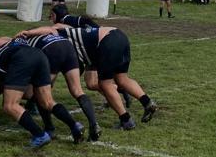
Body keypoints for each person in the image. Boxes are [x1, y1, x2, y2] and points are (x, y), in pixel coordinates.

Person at [19, 21, 156, 129]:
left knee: (105, 84)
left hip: (106, 41)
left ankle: (126, 120)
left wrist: (28, 32)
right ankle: (147, 102)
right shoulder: (71, 34)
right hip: (118, 35)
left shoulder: (55, 34)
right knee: (122, 78)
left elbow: (52, 29)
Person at [0, 38, 84, 147]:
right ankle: (75, 126)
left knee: (10, 105)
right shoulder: (7, 43)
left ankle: (39, 135)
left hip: (22, 59)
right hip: (40, 55)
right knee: (47, 101)